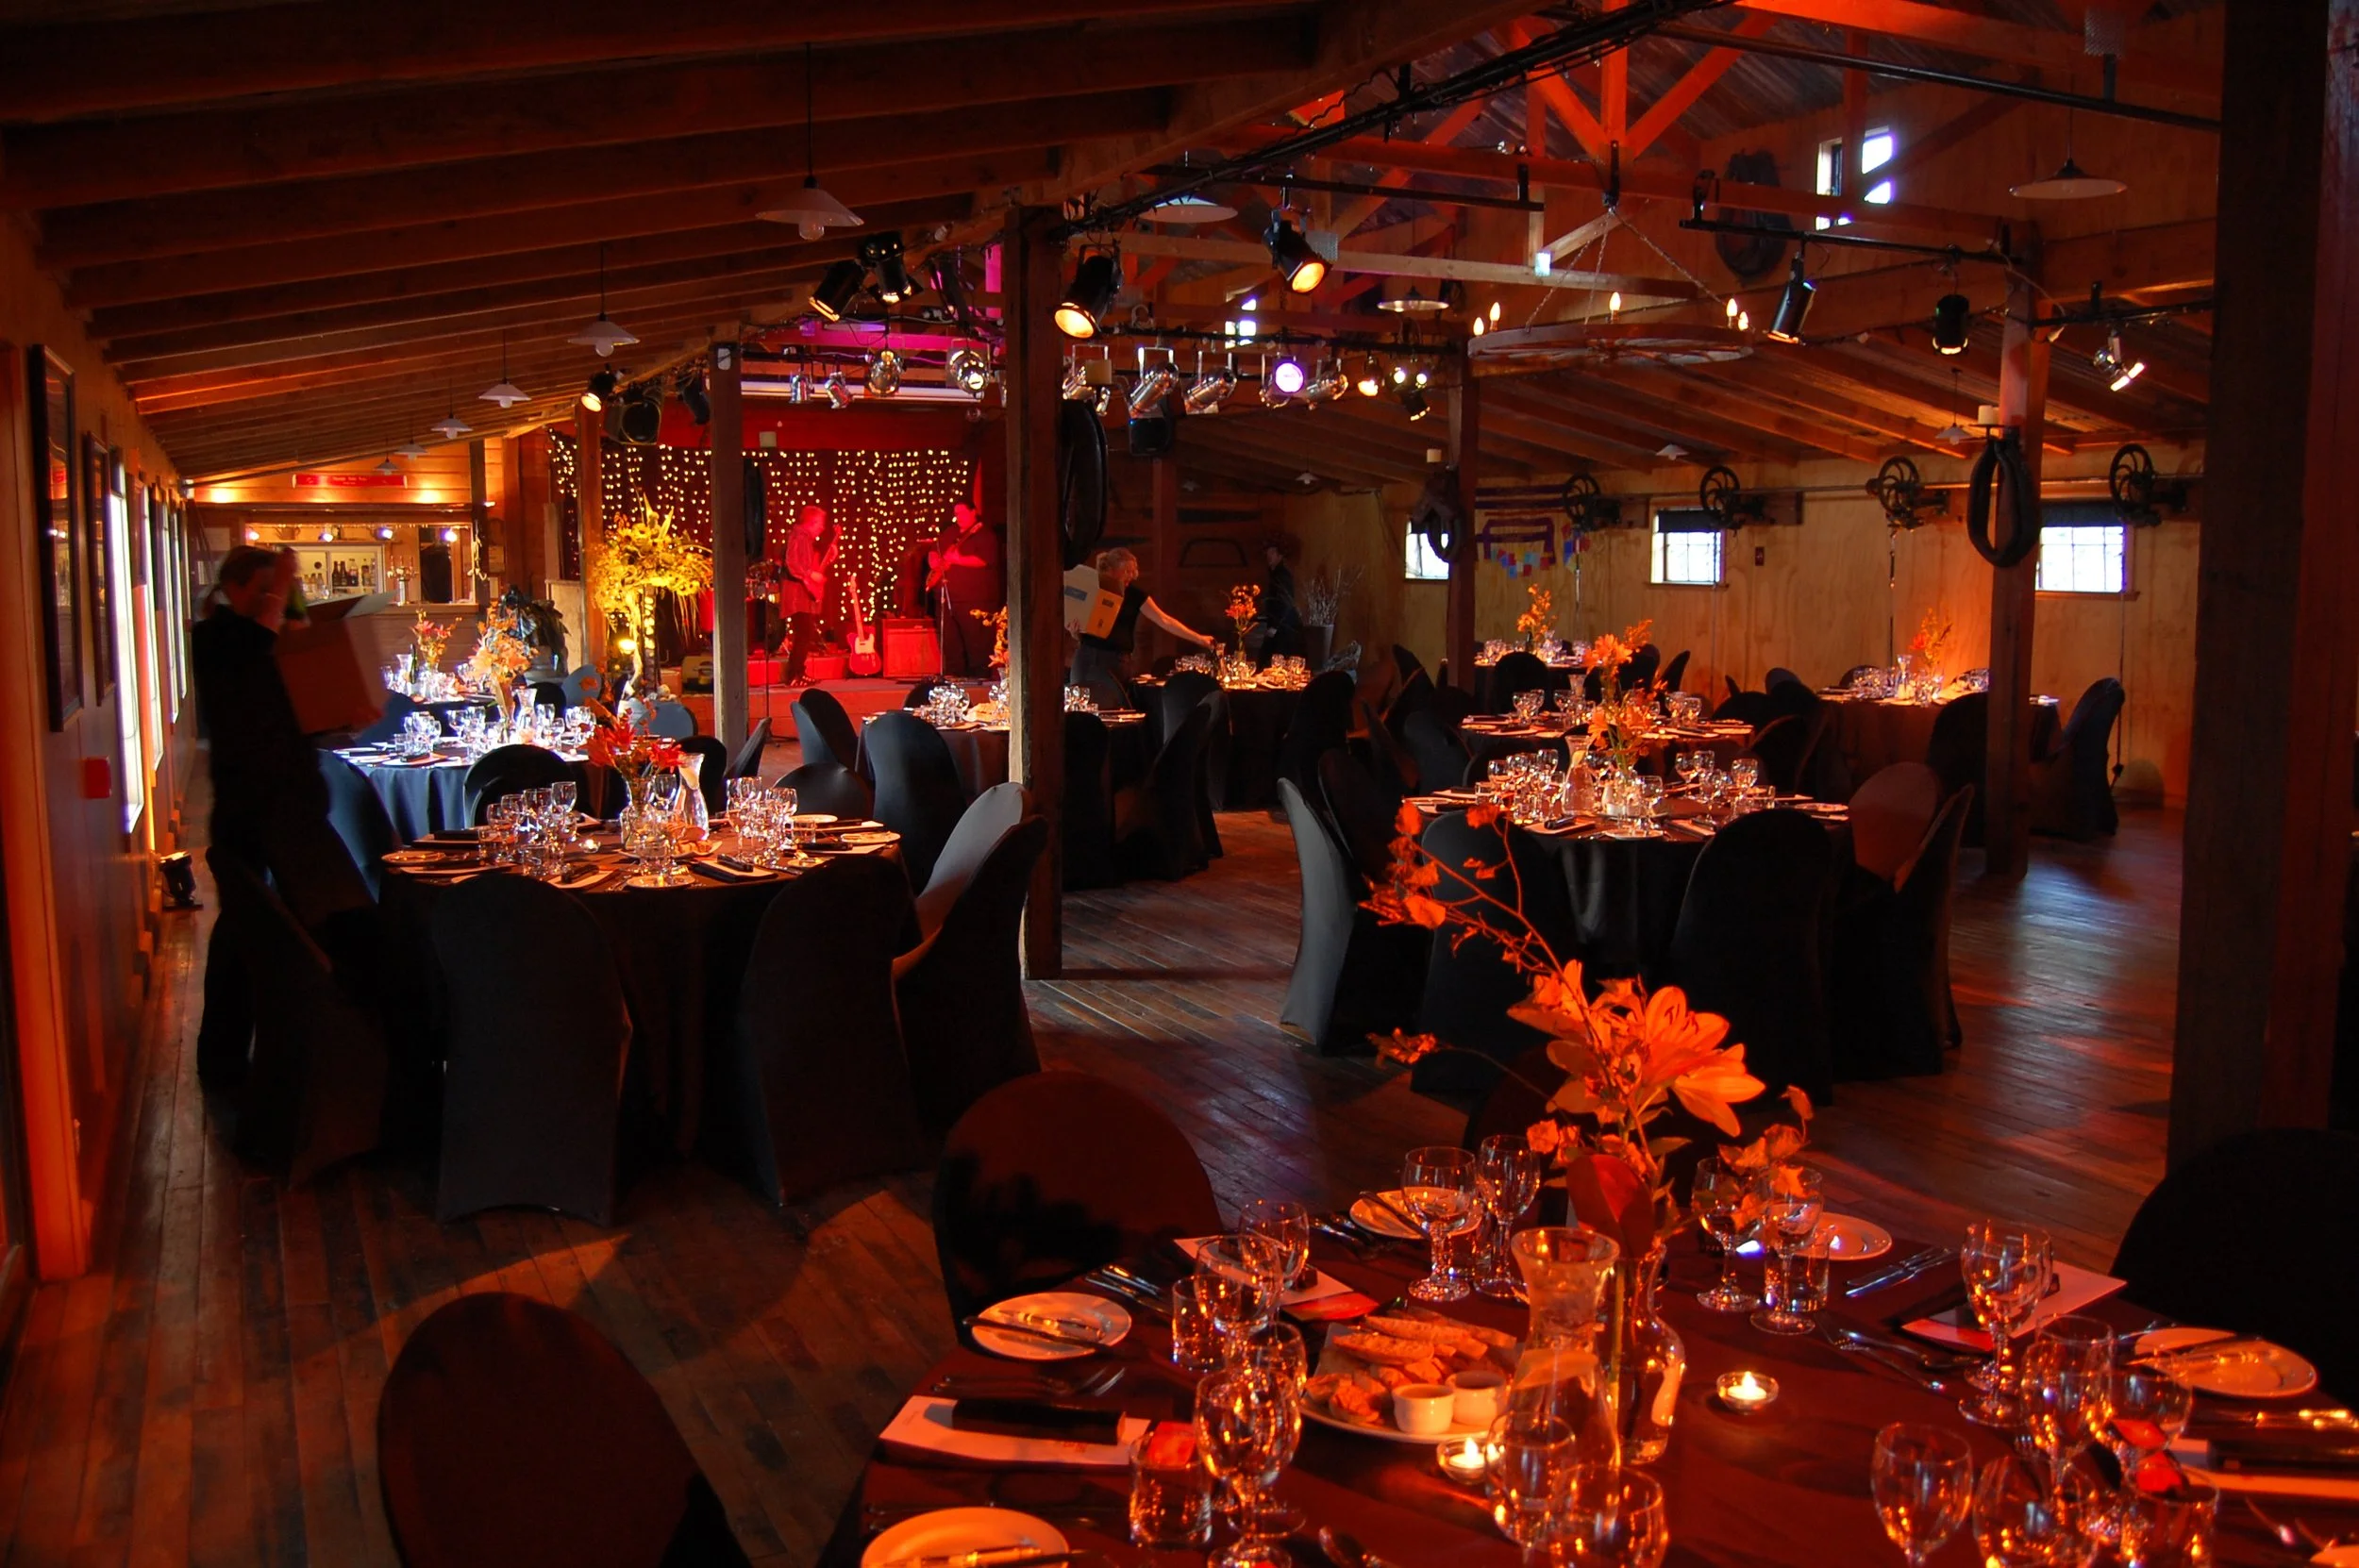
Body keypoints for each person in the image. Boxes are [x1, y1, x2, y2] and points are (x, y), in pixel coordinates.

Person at [189, 546, 342, 1084]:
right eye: (266, 589)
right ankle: (228, 1056)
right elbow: (263, 702)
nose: (276, 599)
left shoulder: (254, 641)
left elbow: (295, 713)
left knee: (284, 929)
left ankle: (290, 1048)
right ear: (237, 589)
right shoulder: (219, 641)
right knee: (246, 932)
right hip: (252, 809)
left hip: (281, 805)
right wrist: (284, 599)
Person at [1070, 547, 1216, 696]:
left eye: (1133, 572)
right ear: (1112, 569)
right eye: (1127, 571)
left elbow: (1165, 620)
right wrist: (1074, 631)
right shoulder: (1093, 588)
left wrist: (1199, 639)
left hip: (1119, 661)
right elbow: (1080, 629)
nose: (1132, 576)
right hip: (1088, 658)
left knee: (1116, 707)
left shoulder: (1135, 595)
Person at [927, 502, 1004, 677]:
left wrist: (957, 559)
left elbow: (985, 560)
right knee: (951, 640)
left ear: (973, 512)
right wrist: (934, 560)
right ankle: (955, 674)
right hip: (949, 596)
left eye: (962, 513)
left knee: (976, 641)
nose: (958, 517)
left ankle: (979, 676)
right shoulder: (951, 532)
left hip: (974, 598)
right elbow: (934, 549)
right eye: (956, 514)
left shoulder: (984, 534)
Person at [778, 504, 836, 686]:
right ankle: (794, 675)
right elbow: (793, 563)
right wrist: (810, 575)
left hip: (802, 595)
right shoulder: (799, 537)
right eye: (820, 523)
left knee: (804, 634)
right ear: (812, 522)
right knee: (803, 634)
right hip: (796, 596)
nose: (822, 527)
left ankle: (797, 673)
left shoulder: (806, 539)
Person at [1251, 534, 1304, 664]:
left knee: (1272, 661)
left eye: (1273, 552)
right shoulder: (1275, 574)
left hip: (1283, 627)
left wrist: (1274, 626)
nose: (1269, 555)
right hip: (1278, 625)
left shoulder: (1282, 575)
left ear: (1280, 555)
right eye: (1268, 552)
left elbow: (1285, 602)